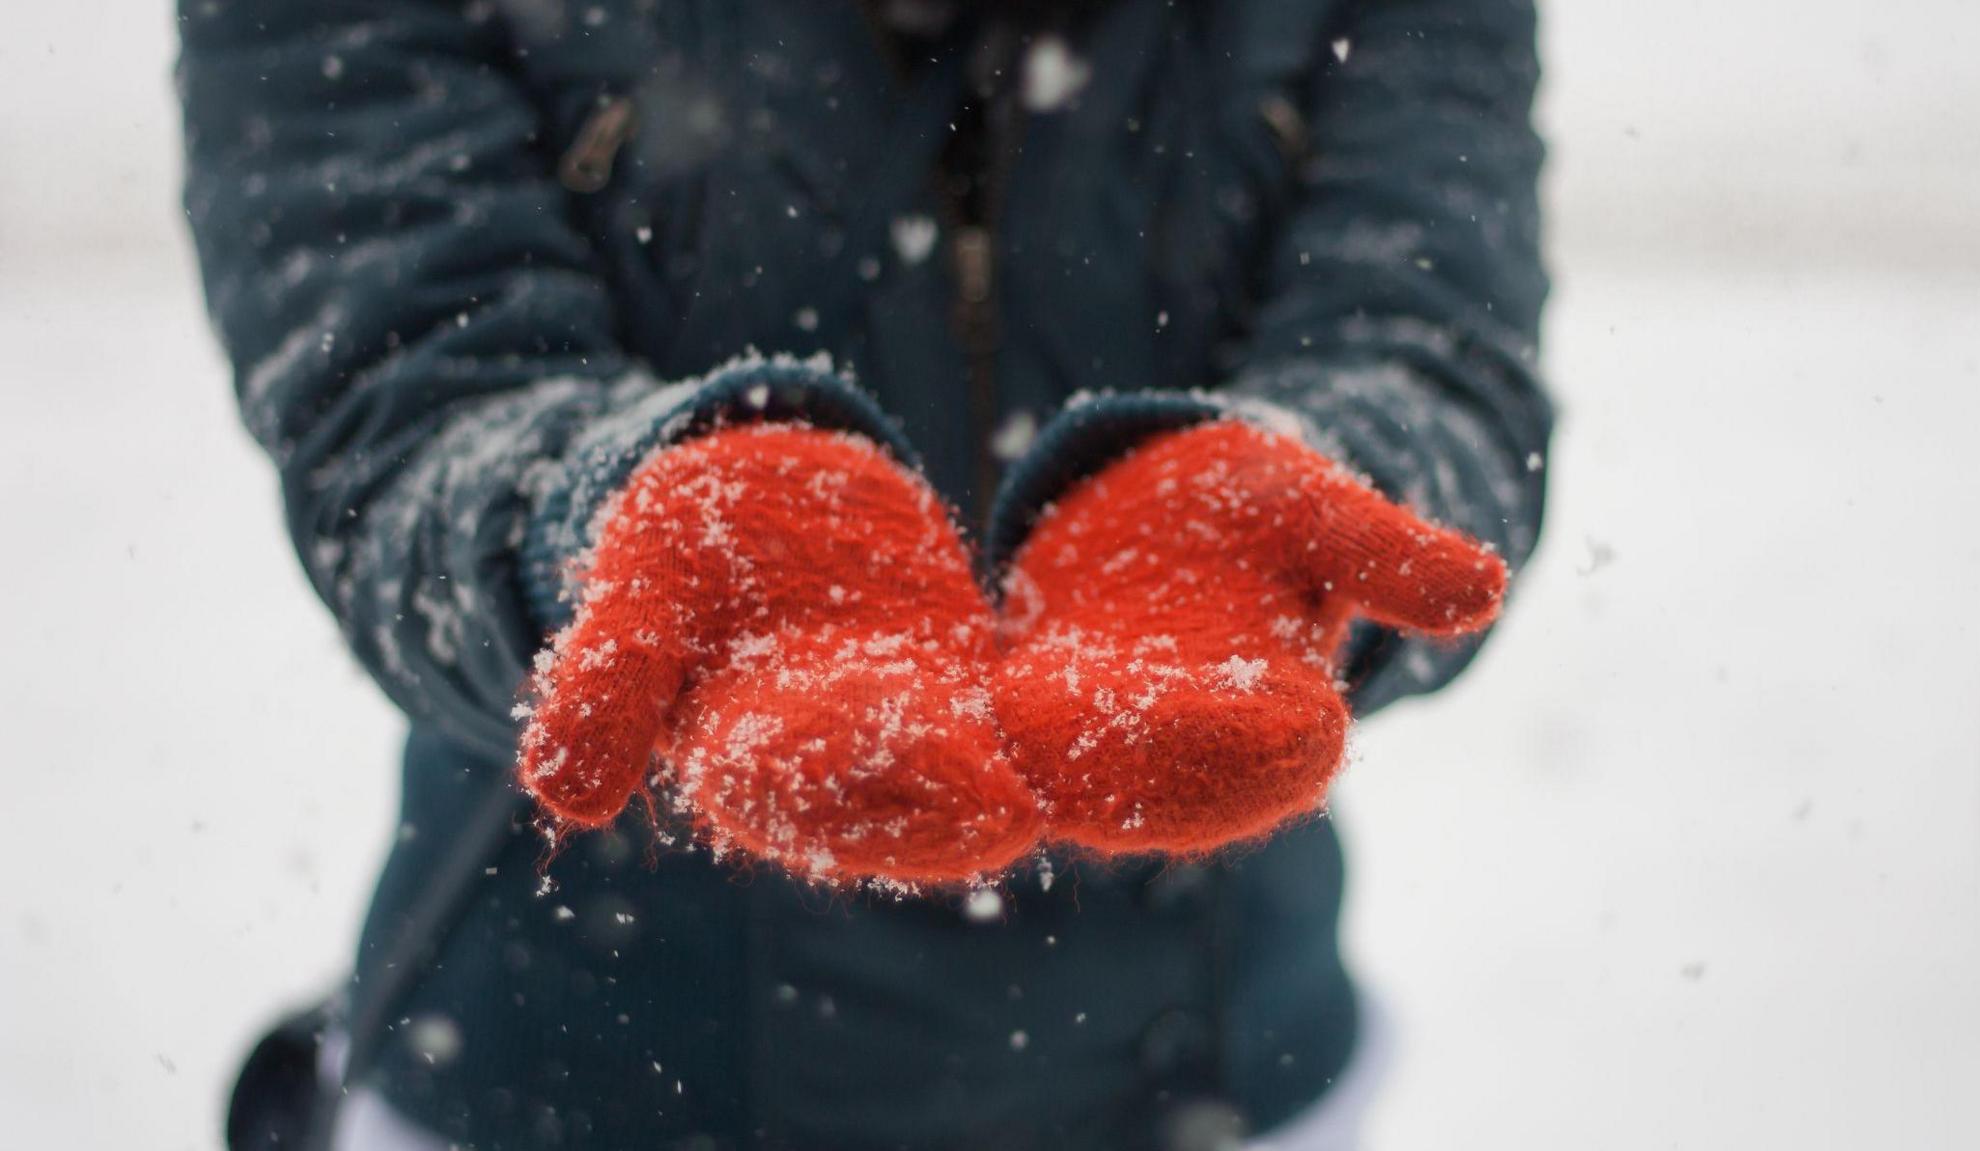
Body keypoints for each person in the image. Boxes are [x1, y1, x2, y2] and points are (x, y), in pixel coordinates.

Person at [180, 1, 1552, 1148]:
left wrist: (1331, 485)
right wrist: (605, 526)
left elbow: (1425, 337)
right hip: (569, 1063)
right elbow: (407, 395)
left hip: (1206, 1067)